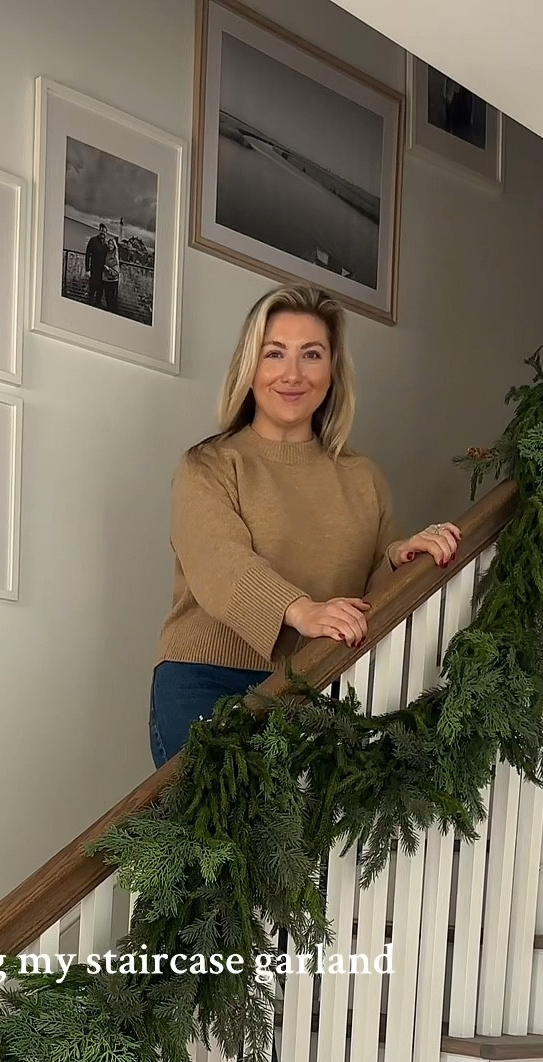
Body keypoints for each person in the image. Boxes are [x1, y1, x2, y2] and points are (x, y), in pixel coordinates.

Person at [149, 283, 461, 767]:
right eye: (275, 354)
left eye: (311, 355)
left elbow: (369, 596)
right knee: (220, 840)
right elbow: (221, 564)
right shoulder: (208, 466)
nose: (292, 374)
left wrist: (401, 559)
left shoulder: (363, 479)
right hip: (207, 680)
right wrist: (300, 610)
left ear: (332, 371)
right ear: (249, 368)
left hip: (318, 687)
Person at [85, 223, 110, 304]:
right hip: (93, 271)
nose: (103, 232)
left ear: (106, 233)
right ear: (99, 230)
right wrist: (87, 270)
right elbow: (87, 255)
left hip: (102, 273)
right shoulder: (93, 240)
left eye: (105, 231)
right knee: (91, 292)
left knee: (99, 294)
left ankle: (97, 308)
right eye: (102, 230)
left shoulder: (106, 245)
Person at [102, 231, 121, 312]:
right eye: (109, 244)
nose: (110, 245)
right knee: (107, 298)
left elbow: (116, 271)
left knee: (111, 300)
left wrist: (108, 269)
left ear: (114, 245)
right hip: (106, 279)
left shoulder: (115, 255)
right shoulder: (107, 252)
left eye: (112, 244)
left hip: (112, 281)